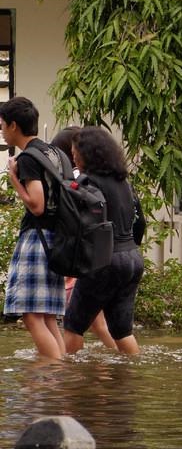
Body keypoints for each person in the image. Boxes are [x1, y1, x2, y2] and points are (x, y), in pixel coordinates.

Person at [62, 127, 144, 355]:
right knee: (122, 330)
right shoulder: (124, 183)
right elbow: (141, 223)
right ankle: (130, 378)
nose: (73, 157)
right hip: (133, 260)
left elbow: (75, 219)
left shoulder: (89, 183)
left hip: (105, 260)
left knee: (73, 325)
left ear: (87, 153)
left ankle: (67, 381)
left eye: (75, 152)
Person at [2, 97, 68, 360]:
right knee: (48, 316)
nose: (2, 131)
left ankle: (53, 371)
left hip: (36, 240)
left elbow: (37, 204)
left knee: (31, 315)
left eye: (2, 125)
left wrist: (14, 179)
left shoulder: (28, 158)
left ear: (14, 125)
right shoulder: (56, 153)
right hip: (58, 239)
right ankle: (59, 378)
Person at [51, 126, 117, 350]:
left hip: (86, 263)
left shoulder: (80, 183)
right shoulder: (114, 179)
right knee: (98, 323)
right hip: (103, 256)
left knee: (74, 324)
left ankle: (69, 370)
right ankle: (117, 363)